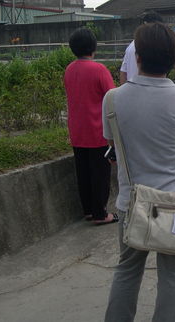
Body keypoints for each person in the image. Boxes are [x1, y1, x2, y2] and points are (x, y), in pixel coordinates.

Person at [103, 22, 175, 322]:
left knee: (127, 270)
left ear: (138, 58)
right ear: (174, 61)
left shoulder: (113, 98)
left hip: (132, 203)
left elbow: (113, 143)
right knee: (173, 276)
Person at [64, 27, 117, 225]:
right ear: (93, 47)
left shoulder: (69, 69)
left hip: (77, 130)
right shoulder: (99, 70)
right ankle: (100, 213)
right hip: (97, 131)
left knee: (83, 172)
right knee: (100, 174)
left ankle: (88, 210)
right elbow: (112, 98)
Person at [120, 11, 163, 85]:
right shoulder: (155, 45)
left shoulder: (131, 45)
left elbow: (123, 73)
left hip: (131, 90)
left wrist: (124, 92)